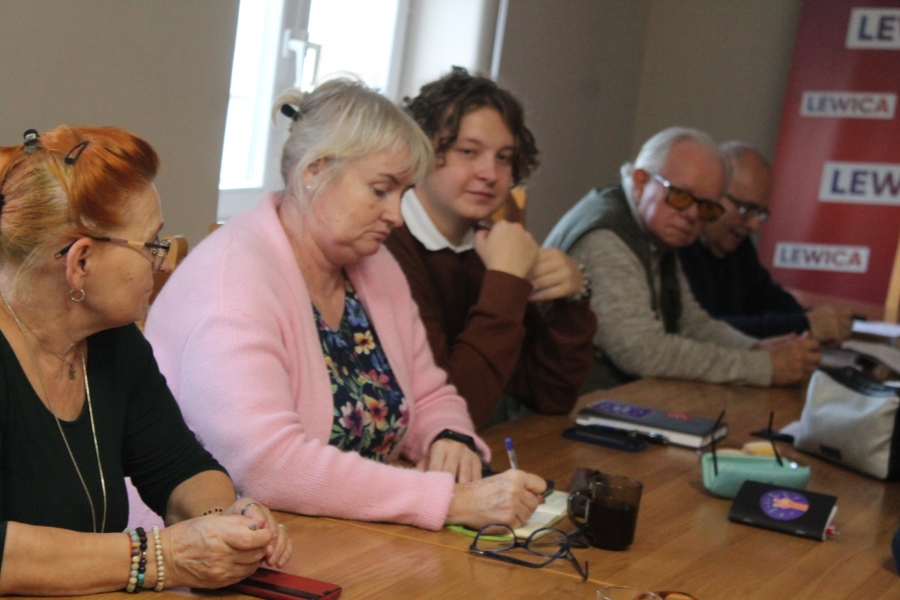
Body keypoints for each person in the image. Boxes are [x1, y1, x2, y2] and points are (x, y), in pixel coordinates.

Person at [144, 79, 548, 532]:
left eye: (403, 193)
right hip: (217, 546)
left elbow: (430, 394)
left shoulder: (375, 264)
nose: (396, 215)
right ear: (315, 171)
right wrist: (448, 500)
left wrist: (448, 434)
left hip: (344, 532)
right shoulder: (233, 281)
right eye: (380, 190)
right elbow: (265, 465)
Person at [0, 127, 290, 596]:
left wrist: (226, 524)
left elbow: (180, 467)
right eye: (152, 244)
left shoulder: (113, 341)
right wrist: (162, 557)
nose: (163, 263)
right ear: (80, 263)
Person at [384, 67, 596, 428]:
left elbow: (550, 395)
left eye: (504, 157)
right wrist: (505, 280)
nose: (490, 173)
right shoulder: (386, 245)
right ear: (421, 150)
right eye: (468, 151)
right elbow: (449, 415)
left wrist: (573, 299)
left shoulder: (489, 245)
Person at [544, 127, 821, 391]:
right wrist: (762, 367)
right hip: (563, 410)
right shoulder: (606, 237)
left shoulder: (656, 231)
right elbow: (643, 352)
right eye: (679, 196)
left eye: (706, 207)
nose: (692, 215)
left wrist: (756, 348)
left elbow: (691, 323)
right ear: (641, 182)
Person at [678, 141, 854, 343]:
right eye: (745, 209)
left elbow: (767, 297)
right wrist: (803, 324)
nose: (754, 225)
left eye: (760, 213)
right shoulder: (676, 246)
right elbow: (704, 329)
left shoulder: (739, 246)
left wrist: (816, 320)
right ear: (712, 194)